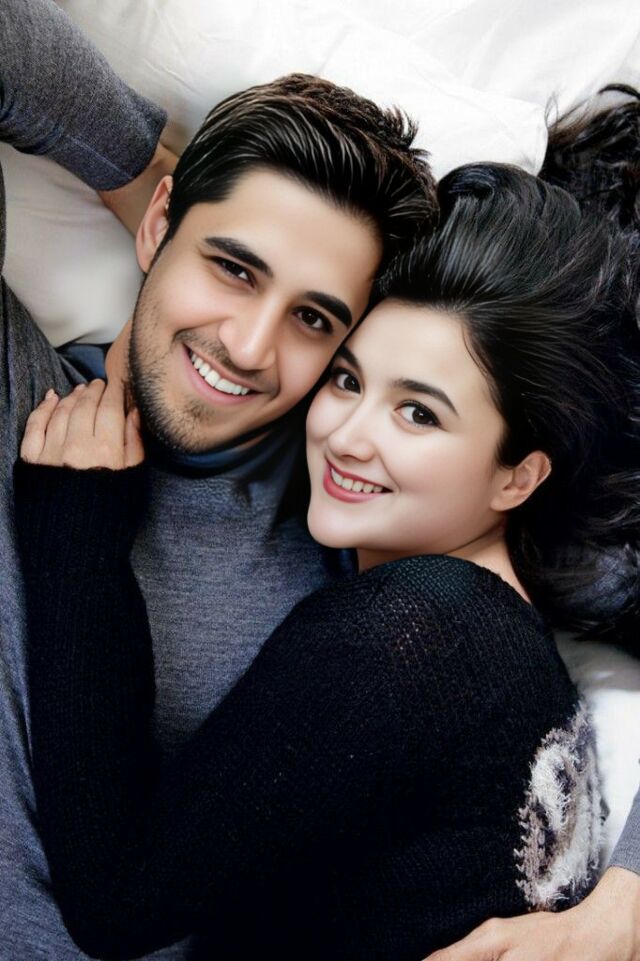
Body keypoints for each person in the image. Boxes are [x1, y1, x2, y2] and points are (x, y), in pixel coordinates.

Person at [15, 159, 640, 959]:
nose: (347, 435)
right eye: (347, 379)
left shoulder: (410, 631)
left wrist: (78, 533)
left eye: (418, 413)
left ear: (518, 475)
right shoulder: (499, 639)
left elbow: (113, 899)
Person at [0, 2, 435, 959]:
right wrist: (132, 169)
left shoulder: (337, 526)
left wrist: (629, 894)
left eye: (313, 318)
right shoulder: (15, 383)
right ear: (163, 225)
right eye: (234, 268)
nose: (248, 346)